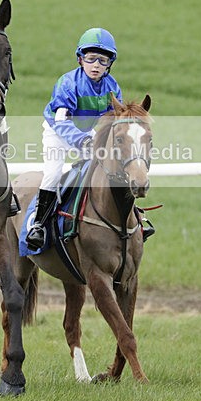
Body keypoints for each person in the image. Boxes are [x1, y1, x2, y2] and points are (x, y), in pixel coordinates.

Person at [25, 28, 122, 251]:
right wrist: (83, 142)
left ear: (110, 64)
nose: (96, 65)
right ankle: (38, 225)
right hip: (57, 132)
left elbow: (114, 121)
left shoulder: (112, 87)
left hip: (88, 133)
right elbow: (61, 122)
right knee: (53, 173)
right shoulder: (68, 83)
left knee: (110, 168)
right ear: (80, 59)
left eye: (103, 60)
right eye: (90, 59)